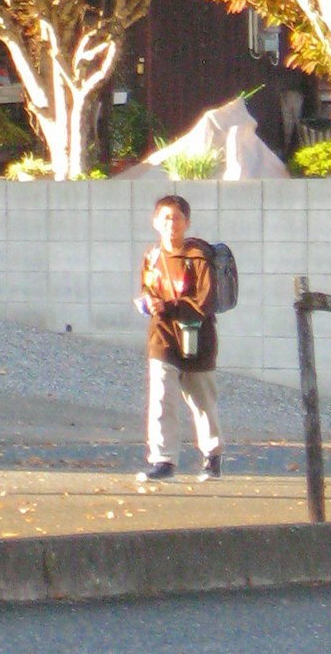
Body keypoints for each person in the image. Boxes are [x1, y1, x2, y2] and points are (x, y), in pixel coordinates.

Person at [136, 192, 222, 481]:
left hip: (197, 336)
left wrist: (170, 305)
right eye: (165, 217)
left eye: (177, 218)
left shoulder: (198, 257)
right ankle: (163, 461)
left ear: (187, 222)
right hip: (162, 336)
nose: (171, 224)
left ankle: (212, 456)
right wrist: (149, 302)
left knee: (202, 401)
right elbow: (148, 289)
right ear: (155, 222)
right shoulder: (152, 256)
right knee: (162, 398)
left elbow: (205, 301)